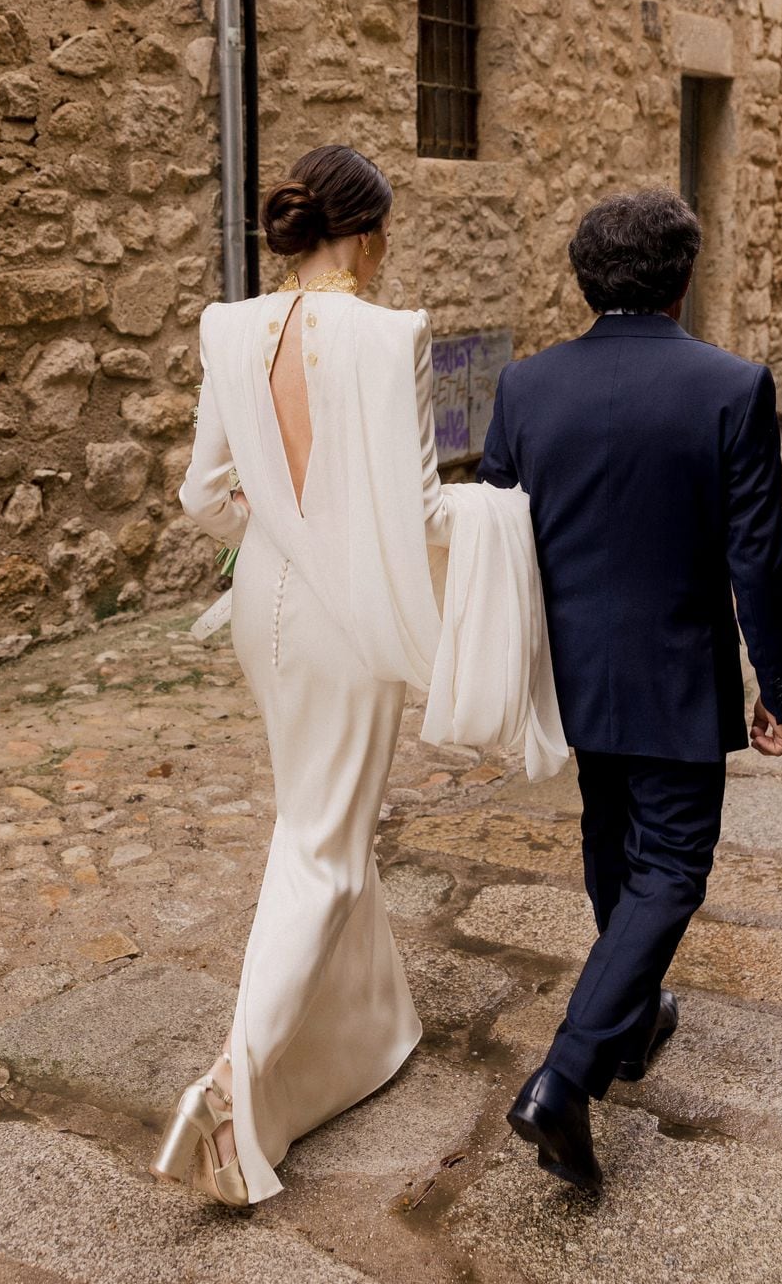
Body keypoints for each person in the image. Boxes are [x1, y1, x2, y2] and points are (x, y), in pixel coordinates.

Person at [152, 143, 566, 1208]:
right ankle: (237, 1089)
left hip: (264, 611)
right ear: (371, 231)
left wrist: (282, 531)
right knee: (323, 847)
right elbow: (423, 513)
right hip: (343, 623)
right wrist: (510, 515)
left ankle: (368, 1033)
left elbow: (204, 493)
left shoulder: (229, 328)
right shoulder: (392, 338)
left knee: (316, 816)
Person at [480, 188, 782, 1196]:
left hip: (576, 672)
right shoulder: (731, 386)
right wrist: (780, 686)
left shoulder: (525, 387)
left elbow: (498, 537)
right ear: (682, 278)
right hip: (674, 673)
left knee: (610, 841)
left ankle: (631, 1017)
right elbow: (758, 555)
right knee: (669, 867)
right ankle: (565, 1076)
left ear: (585, 279)